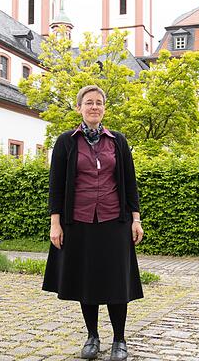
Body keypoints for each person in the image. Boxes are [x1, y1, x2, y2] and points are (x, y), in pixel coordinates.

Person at [42, 85, 144, 360]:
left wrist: (135, 219)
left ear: (104, 109)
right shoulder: (65, 142)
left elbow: (129, 183)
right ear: (79, 108)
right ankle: (92, 336)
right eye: (89, 102)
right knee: (86, 281)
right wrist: (56, 223)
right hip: (79, 221)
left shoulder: (118, 141)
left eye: (99, 103)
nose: (94, 107)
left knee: (116, 281)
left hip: (114, 221)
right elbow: (56, 185)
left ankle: (120, 340)